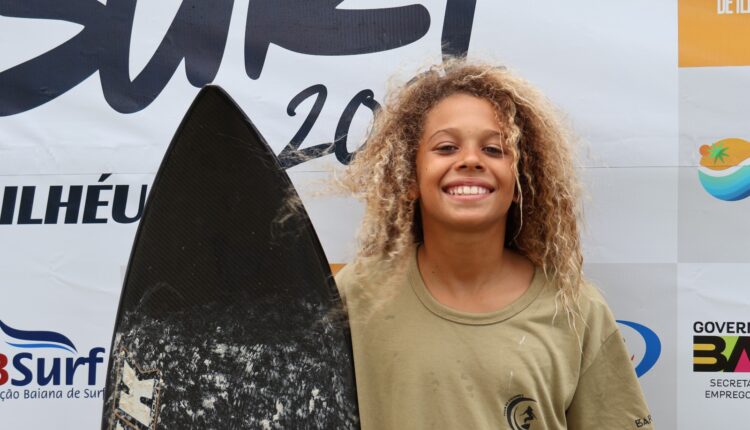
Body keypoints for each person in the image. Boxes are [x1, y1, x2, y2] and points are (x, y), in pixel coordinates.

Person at [335, 59, 653, 429]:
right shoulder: (357, 295)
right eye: (446, 147)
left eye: (494, 149)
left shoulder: (574, 309)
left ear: (520, 181)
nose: (470, 160)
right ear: (409, 177)